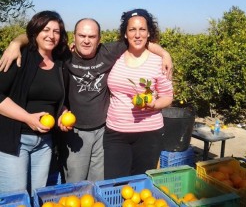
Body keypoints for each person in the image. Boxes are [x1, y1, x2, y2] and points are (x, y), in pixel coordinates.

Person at [0, 17, 173, 182]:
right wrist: (16, 43)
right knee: (76, 182)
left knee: (98, 182)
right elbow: (34, 36)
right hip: (75, 131)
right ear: (73, 37)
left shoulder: (108, 52)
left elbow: (138, 40)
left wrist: (164, 53)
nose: (87, 40)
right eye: (82, 35)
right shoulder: (64, 55)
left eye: (92, 36)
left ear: (99, 39)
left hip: (103, 131)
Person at [0, 11, 70, 195]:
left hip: (45, 143)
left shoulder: (60, 62)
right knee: (16, 198)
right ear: (36, 31)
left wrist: (62, 111)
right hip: (16, 140)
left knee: (37, 195)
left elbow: (56, 99)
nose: (51, 35)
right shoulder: (21, 57)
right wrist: (28, 118)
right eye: (46, 29)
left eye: (56, 31)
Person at [104, 9, 173, 179]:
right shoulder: (114, 57)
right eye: (132, 29)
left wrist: (154, 104)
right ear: (125, 34)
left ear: (149, 33)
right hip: (116, 132)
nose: (137, 34)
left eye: (142, 29)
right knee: (114, 182)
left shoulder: (159, 62)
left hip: (148, 133)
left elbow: (168, 97)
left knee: (140, 183)